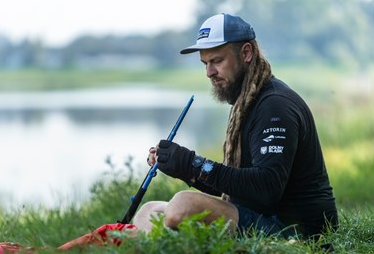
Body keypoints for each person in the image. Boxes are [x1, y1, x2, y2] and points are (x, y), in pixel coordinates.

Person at [133, 13, 338, 238]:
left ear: (246, 53)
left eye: (217, 61)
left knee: (183, 203)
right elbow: (238, 187)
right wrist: (183, 168)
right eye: (205, 63)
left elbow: (266, 188)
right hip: (261, 215)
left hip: (297, 231)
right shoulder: (247, 102)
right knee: (148, 211)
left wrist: (193, 164)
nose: (209, 72)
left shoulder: (275, 105)